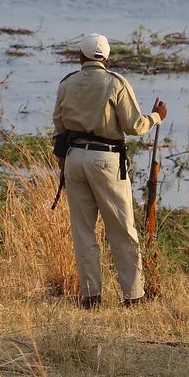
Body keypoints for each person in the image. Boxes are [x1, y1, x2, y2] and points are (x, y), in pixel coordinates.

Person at [52, 33, 167, 308]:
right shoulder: (116, 83)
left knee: (83, 231)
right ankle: (134, 295)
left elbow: (58, 126)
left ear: (81, 57)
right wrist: (156, 118)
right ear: (106, 58)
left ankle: (91, 296)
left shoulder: (66, 84)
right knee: (122, 230)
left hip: (74, 158)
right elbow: (133, 126)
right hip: (106, 160)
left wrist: (63, 166)